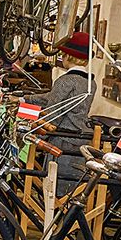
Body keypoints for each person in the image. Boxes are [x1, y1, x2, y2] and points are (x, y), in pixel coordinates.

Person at [35, 31, 95, 193]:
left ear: (68, 56)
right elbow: (53, 99)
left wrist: (36, 136)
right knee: (73, 189)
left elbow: (52, 114)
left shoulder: (65, 81)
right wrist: (25, 99)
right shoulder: (90, 82)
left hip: (62, 141)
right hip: (80, 139)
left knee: (55, 189)